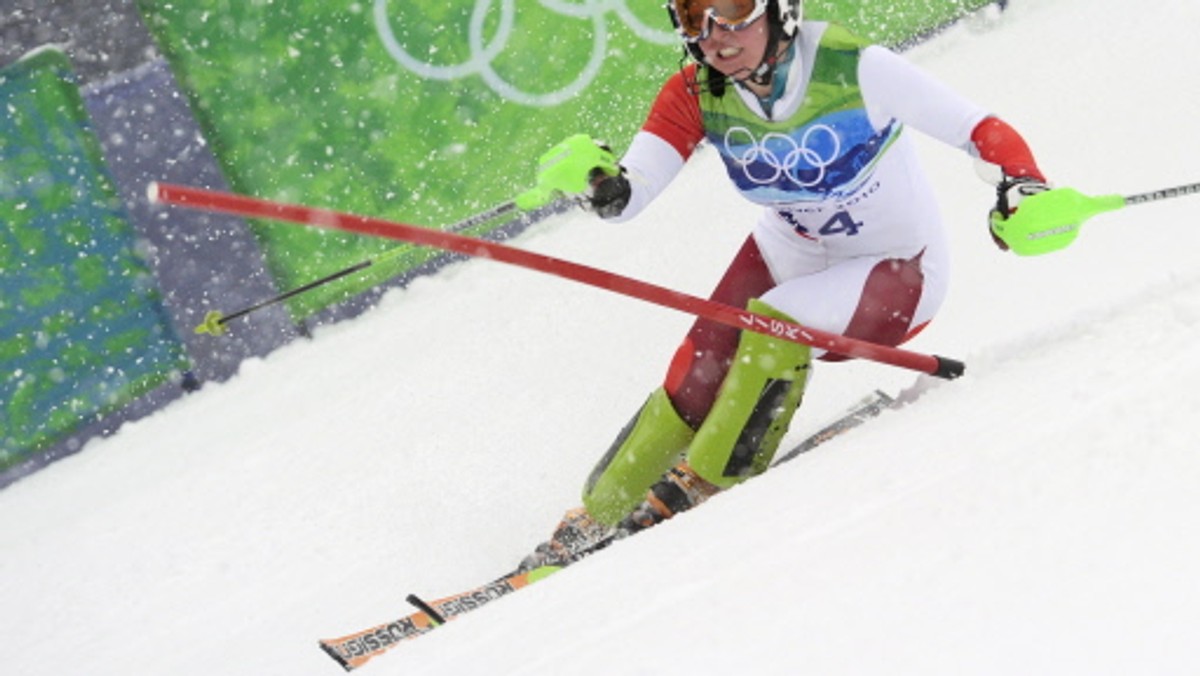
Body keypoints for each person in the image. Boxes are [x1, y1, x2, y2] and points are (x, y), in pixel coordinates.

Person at [516, 0, 1047, 570]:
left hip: (896, 272)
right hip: (791, 250)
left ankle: (709, 479)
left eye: (735, 10)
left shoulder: (851, 66)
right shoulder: (696, 93)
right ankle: (601, 510)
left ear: (780, 10)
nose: (717, 34)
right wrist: (600, 183)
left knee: (776, 319)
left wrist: (1024, 187)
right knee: (698, 371)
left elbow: (980, 129)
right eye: (696, 17)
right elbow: (632, 192)